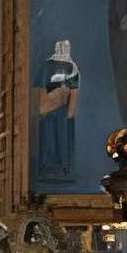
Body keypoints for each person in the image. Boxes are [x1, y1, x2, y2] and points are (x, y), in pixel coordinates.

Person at [37, 38, 81, 177]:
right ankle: (47, 167)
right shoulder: (47, 66)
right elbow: (40, 88)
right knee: (48, 137)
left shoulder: (72, 67)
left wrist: (70, 111)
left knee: (62, 138)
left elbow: (74, 91)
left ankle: (64, 167)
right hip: (49, 108)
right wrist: (42, 107)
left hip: (63, 110)